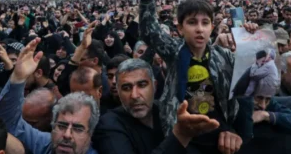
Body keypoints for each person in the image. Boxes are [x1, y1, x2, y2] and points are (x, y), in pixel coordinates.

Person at [138, 0, 257, 153]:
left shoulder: (223, 57)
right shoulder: (174, 52)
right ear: (180, 28)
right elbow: (149, 30)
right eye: (192, 22)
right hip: (184, 141)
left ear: (212, 26)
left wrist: (251, 40)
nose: (199, 29)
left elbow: (249, 86)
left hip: (220, 138)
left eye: (205, 23)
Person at [0, 37, 98, 154]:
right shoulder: (45, 144)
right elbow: (6, 121)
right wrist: (18, 79)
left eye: (78, 129)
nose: (67, 135)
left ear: (90, 134)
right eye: (61, 126)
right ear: (52, 127)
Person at [92, 58, 220, 154]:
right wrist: (180, 135)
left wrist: (226, 133)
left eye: (142, 85)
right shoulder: (109, 125)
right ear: (118, 92)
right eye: (126, 88)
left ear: (154, 86)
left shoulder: (168, 110)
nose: (135, 95)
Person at [238, 83, 291, 154]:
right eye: (258, 98)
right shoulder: (232, 105)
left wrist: (268, 116)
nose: (263, 106)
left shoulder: (271, 104)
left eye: (267, 100)